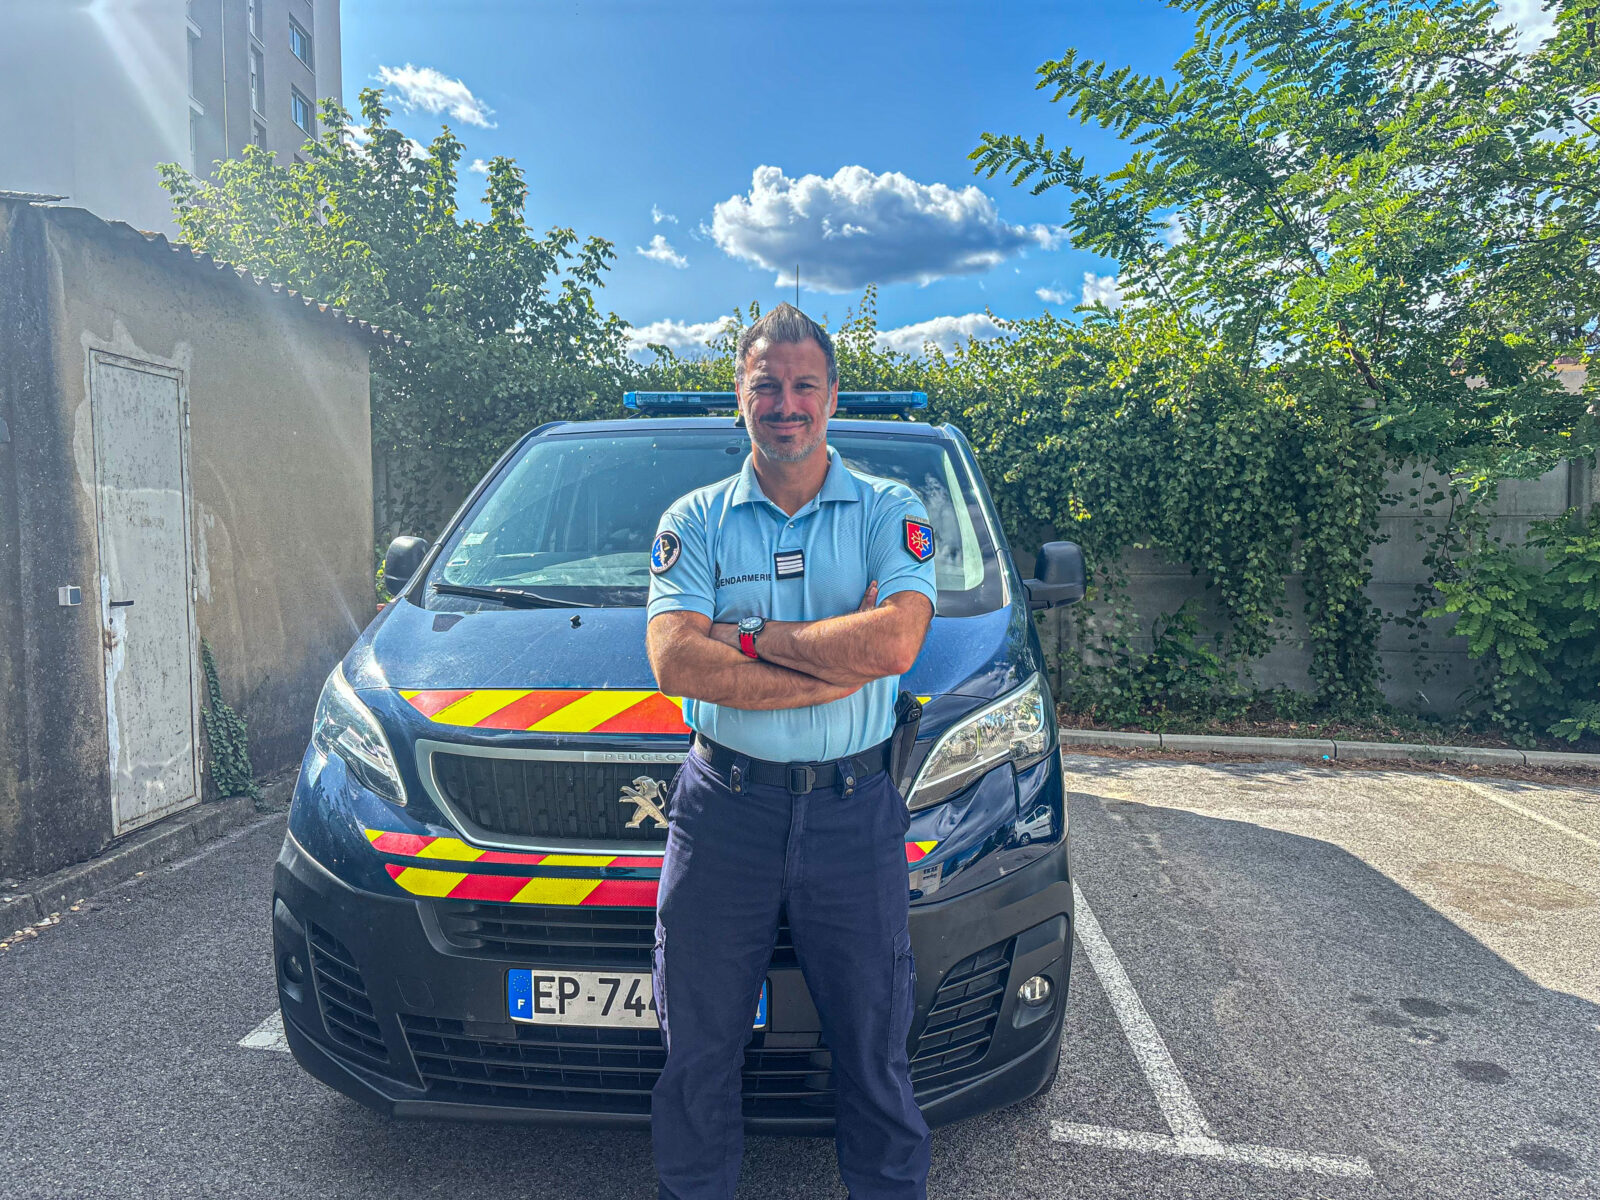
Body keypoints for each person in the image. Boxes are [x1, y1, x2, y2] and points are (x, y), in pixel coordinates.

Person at [645, 303, 938, 1200]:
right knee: (696, 1050)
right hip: (722, 814)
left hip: (854, 815)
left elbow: (894, 646)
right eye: (766, 384)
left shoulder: (892, 507)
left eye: (804, 384)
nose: (786, 402)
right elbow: (672, 661)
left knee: (874, 1051)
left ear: (832, 396)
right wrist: (824, 665)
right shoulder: (694, 518)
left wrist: (753, 636)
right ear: (739, 395)